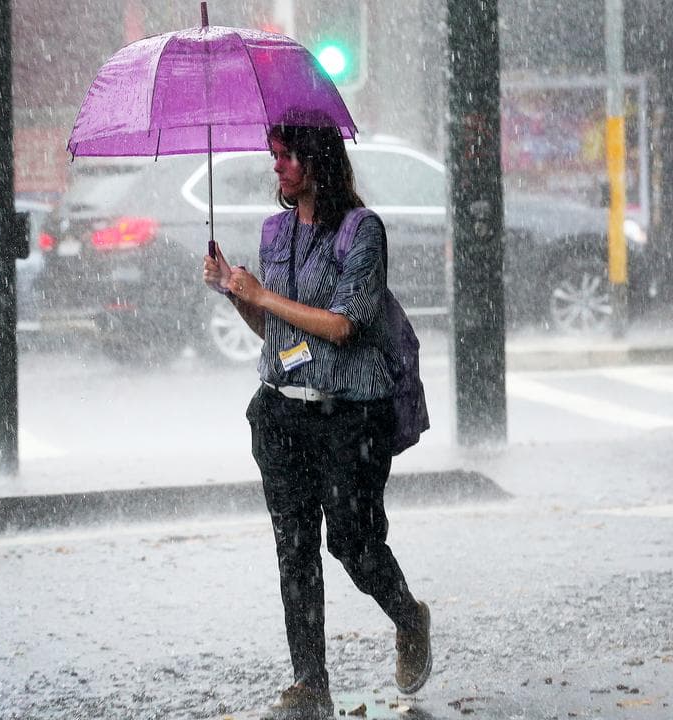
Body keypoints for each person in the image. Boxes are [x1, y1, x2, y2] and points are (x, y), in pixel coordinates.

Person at [202, 119, 432, 717]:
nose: (275, 166)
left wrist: (261, 295)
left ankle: (408, 617)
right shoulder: (275, 232)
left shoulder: (362, 231)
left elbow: (343, 325)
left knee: (353, 543)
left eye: (286, 156)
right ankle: (311, 686)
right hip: (282, 412)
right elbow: (275, 331)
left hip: (351, 417)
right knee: (294, 547)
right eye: (273, 156)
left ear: (317, 162)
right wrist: (234, 291)